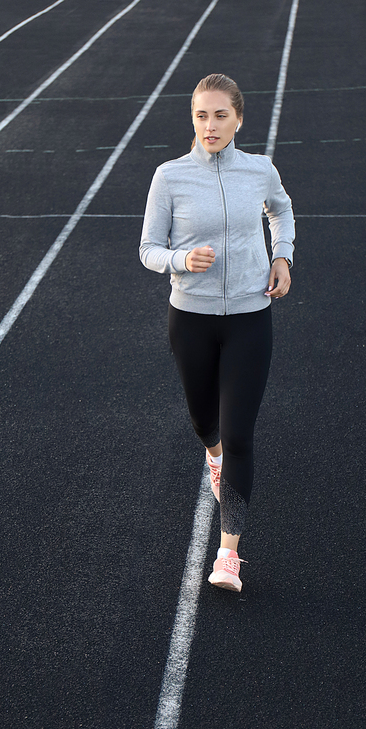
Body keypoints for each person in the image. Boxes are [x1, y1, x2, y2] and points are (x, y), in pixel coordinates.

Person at [139, 73, 295, 592]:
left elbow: (282, 208)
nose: (210, 125)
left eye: (220, 115)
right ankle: (212, 453)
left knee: (241, 433)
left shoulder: (259, 170)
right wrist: (182, 259)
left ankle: (228, 555)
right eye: (201, 115)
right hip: (191, 319)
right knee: (205, 422)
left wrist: (281, 256)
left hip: (251, 315)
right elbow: (148, 249)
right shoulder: (170, 177)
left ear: (239, 119)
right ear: (193, 119)